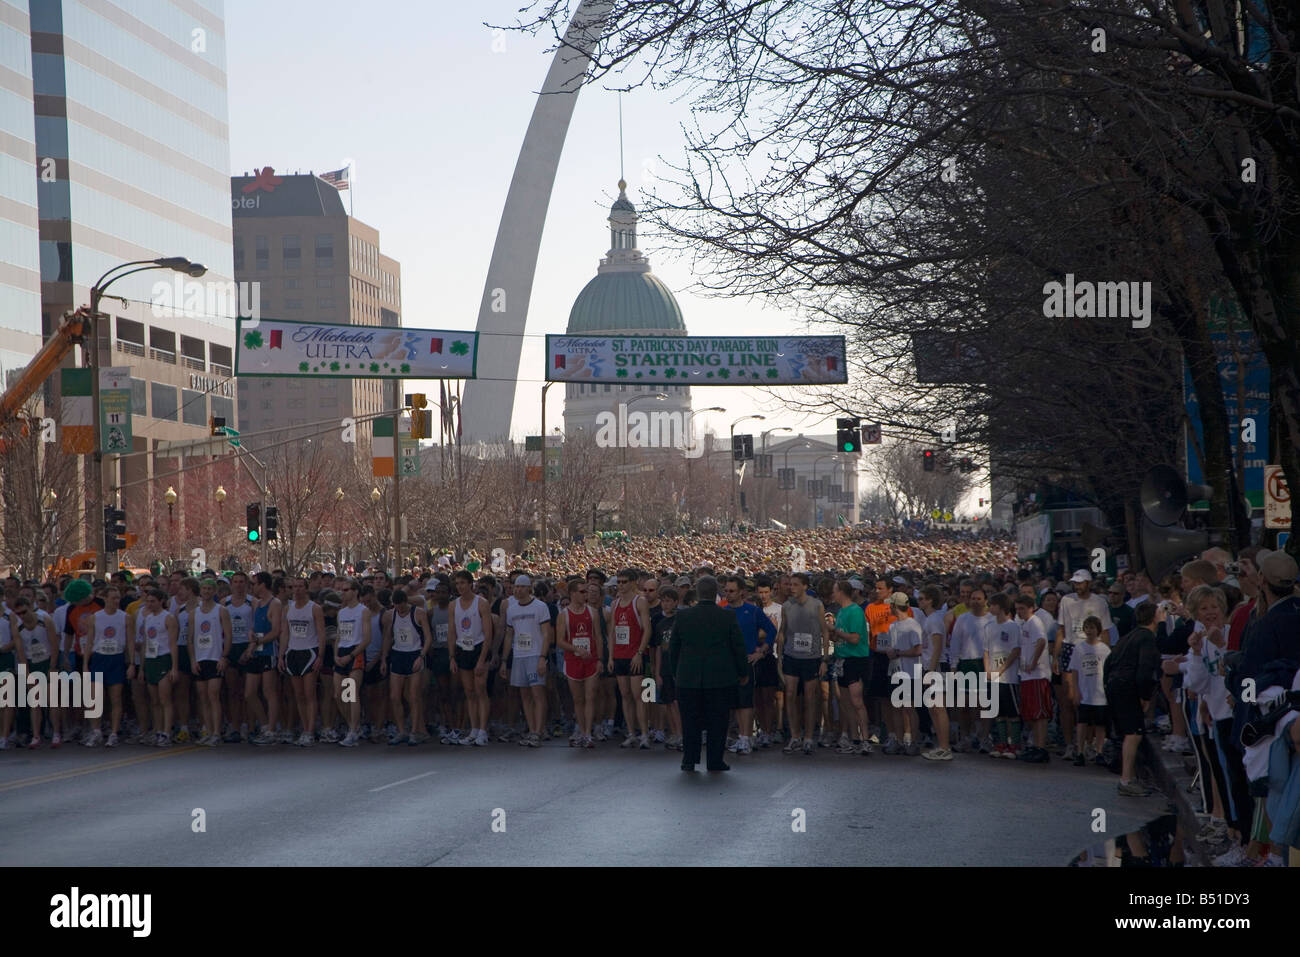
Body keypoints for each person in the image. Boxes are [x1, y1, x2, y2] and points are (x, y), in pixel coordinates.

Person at [668, 575, 748, 772]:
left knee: (689, 721)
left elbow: (673, 647)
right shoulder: (726, 617)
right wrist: (742, 671)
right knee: (718, 721)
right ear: (716, 593)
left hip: (688, 677)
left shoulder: (684, 616)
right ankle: (714, 760)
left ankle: (689, 759)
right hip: (719, 678)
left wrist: (675, 671)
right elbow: (738, 646)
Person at [1055, 570, 1113, 761]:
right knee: (1069, 699)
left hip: (1094, 647)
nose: (1077, 586)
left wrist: (1106, 655)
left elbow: (1105, 631)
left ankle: (1089, 744)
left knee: (1091, 697)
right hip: (1071, 647)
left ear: (1089, 583)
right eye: (1075, 583)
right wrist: (1056, 656)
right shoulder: (1066, 601)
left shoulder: (1100, 602)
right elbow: (1061, 629)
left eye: (1081, 583)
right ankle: (1071, 743)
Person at [1104, 600, 1160, 796]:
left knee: (1129, 732)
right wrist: (1145, 696)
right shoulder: (1147, 638)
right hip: (1126, 687)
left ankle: (1131, 777)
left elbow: (1108, 662)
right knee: (1134, 733)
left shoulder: (1128, 636)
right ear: (1155, 617)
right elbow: (1145, 671)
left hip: (1115, 685)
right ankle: (1126, 780)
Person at [776, 572, 829, 756]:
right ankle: (795, 736)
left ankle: (808, 737)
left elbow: (825, 631)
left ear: (805, 586)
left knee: (809, 697)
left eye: (796, 584)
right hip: (791, 655)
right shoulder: (786, 606)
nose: (792, 588)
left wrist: (824, 658)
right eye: (790, 585)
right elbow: (782, 630)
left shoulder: (816, 605)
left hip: (811, 657)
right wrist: (780, 655)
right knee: (790, 694)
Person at [500, 575, 552, 748]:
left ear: (529, 588)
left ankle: (539, 730)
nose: (518, 590)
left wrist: (543, 658)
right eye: (516, 587)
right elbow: (509, 635)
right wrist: (504, 660)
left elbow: (546, 634)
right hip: (519, 656)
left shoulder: (540, 607)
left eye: (522, 587)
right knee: (525, 695)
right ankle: (532, 730)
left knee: (538, 694)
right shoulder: (511, 609)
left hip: (535, 654)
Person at [607, 568, 653, 749]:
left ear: (634, 583)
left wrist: (640, 653)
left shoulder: (639, 601)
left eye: (624, 582)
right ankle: (631, 733)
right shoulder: (615, 604)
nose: (621, 585)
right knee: (625, 696)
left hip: (635, 656)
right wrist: (610, 657)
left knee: (639, 696)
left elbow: (647, 629)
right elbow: (611, 633)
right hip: (619, 655)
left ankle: (644, 734)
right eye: (618, 582)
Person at [827, 579, 872, 754]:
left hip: (855, 660)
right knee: (845, 702)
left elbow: (854, 638)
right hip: (842, 659)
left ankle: (865, 739)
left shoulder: (855, 611)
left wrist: (835, 630)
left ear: (841, 592)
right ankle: (854, 738)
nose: (832, 594)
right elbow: (840, 638)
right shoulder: (841, 611)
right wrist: (832, 634)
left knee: (856, 701)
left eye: (834, 591)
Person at [450, 569, 493, 747]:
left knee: (480, 689)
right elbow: (452, 632)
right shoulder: (454, 605)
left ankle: (483, 730)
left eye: (463, 583)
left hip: (478, 647)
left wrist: (482, 659)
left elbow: (488, 633)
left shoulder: (481, 603)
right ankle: (473, 729)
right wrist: (452, 656)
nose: (460, 587)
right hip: (462, 649)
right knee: (469, 691)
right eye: (457, 583)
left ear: (470, 584)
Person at [557, 578, 600, 748]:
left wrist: (600, 659)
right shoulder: (564, 615)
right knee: (578, 699)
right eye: (582, 592)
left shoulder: (592, 612)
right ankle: (581, 731)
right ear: (573, 593)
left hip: (591, 659)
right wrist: (576, 648)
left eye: (586, 591)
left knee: (590, 697)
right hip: (573, 660)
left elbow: (598, 637)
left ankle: (588, 733)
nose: (586, 595)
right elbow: (559, 641)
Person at [1013, 593, 1052, 763]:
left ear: (1031, 608)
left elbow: (1042, 641)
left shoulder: (1035, 622)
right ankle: (1036, 745)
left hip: (1037, 674)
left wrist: (1033, 662)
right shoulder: (1025, 624)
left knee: (1040, 713)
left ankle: (1041, 747)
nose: (1019, 612)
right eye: (1017, 609)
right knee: (1033, 714)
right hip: (1028, 675)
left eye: (1022, 608)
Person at [1067, 616, 1110, 766]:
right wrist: (1075, 690)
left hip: (1100, 694)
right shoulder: (1079, 648)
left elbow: (1108, 671)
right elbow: (1075, 671)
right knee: (1082, 722)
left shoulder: (1104, 649)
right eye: (1087, 628)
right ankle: (1080, 751)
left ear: (1098, 630)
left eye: (1093, 628)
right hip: (1085, 692)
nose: (1090, 631)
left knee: (1100, 724)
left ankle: (1099, 751)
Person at [333, 580, 370, 747]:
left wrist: (352, 655)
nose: (343, 593)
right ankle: (352, 725)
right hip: (341, 651)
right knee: (338, 694)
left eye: (346, 590)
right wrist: (336, 654)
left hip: (355, 652)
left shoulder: (363, 611)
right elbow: (339, 635)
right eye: (342, 590)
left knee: (351, 693)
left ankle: (353, 730)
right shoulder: (341, 612)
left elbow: (367, 638)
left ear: (355, 592)